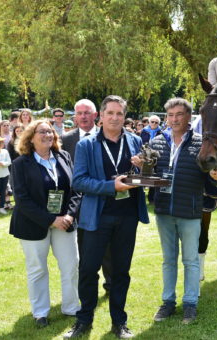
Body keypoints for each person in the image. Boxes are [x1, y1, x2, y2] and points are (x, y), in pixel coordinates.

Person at [64, 95, 149, 339]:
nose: (114, 117)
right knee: (89, 270)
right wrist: (111, 187)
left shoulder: (134, 141)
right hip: (95, 218)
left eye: (119, 113)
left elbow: (141, 176)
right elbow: (78, 181)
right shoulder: (86, 144)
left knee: (121, 271)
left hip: (127, 216)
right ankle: (84, 321)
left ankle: (119, 322)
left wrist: (142, 169)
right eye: (110, 113)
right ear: (100, 116)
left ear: (125, 117)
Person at [143, 98, 217, 324]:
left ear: (189, 118)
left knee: (190, 261)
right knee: (168, 260)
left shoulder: (201, 144)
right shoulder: (157, 142)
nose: (175, 119)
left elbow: (214, 178)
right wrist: (142, 166)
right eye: (171, 115)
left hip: (189, 212)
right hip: (164, 211)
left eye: (179, 114)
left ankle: (190, 304)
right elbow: (149, 175)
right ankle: (168, 302)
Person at [10, 119, 81, 328]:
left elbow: (76, 189)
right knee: (37, 269)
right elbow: (22, 200)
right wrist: (51, 219)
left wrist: (69, 215)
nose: (47, 135)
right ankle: (40, 312)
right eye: (42, 132)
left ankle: (71, 307)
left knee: (71, 265)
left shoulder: (64, 156)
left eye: (50, 132)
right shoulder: (20, 163)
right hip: (33, 224)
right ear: (30, 138)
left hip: (65, 222)